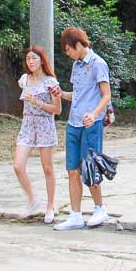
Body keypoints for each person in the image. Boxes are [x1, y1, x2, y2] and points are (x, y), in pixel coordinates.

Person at [49, 26, 112, 231]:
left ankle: (99, 208)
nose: (67, 54)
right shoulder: (76, 65)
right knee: (72, 170)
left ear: (77, 45)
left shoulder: (98, 64)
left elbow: (106, 96)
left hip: (91, 124)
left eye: (68, 49)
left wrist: (94, 114)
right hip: (73, 123)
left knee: (90, 168)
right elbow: (76, 95)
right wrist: (60, 93)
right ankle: (75, 215)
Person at [13, 45, 61, 223]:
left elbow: (57, 109)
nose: (31, 61)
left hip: (44, 125)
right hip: (27, 124)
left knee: (47, 168)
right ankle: (32, 200)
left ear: (41, 60)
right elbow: (21, 82)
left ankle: (50, 206)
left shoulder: (51, 82)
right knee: (18, 166)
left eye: (34, 58)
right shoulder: (25, 79)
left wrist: (37, 102)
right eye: (28, 58)